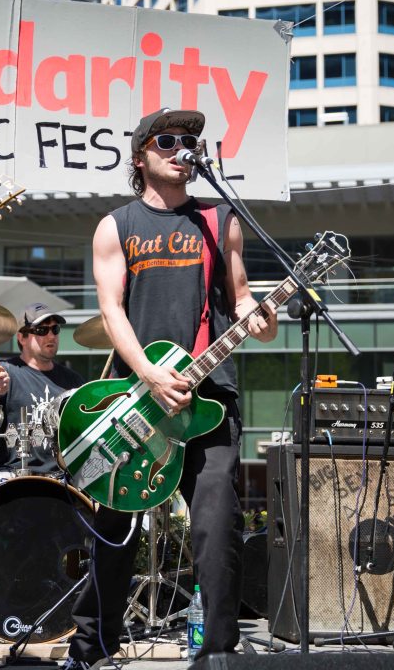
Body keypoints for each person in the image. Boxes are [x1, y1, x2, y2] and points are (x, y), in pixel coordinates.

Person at [64, 108, 278, 668]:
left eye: (190, 140)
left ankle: (217, 653)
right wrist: (149, 374)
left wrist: (258, 317)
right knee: (115, 526)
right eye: (167, 140)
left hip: (210, 397)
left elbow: (241, 296)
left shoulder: (220, 218)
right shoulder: (116, 226)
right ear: (140, 156)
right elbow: (111, 311)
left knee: (217, 523)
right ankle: (91, 647)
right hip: (134, 399)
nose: (182, 148)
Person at [0, 303, 85, 481]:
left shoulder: (73, 381)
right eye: (41, 330)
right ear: (22, 338)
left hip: (61, 478)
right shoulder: (3, 371)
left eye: (55, 329)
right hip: (10, 475)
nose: (51, 336)